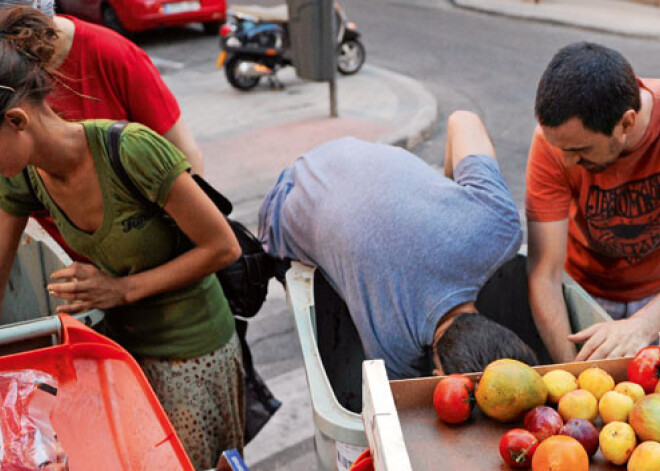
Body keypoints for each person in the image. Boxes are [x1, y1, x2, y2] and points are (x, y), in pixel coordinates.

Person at [0, 7, 242, 469]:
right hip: (116, 355)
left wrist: (120, 289)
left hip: (191, 351)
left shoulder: (129, 149)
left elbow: (223, 246)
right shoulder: (22, 175)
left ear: (16, 121)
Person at [259, 110, 538, 380]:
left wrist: (450, 204)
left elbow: (463, 119)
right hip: (285, 200)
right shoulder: (392, 343)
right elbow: (401, 404)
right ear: (438, 375)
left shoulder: (499, 226)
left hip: (345, 153)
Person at [0, 0, 204, 261]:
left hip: (151, 260)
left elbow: (186, 161)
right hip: (76, 271)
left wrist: (178, 261)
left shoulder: (110, 54)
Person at [526, 41, 660, 364]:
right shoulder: (552, 144)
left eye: (582, 151)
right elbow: (544, 274)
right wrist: (573, 373)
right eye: (563, 150)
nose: (569, 162)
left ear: (626, 123)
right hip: (585, 294)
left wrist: (642, 326)